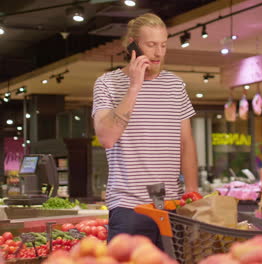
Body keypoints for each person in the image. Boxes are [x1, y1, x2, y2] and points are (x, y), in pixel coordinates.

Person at [92, 13, 198, 246]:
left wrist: (192, 194)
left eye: (163, 45)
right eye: (151, 45)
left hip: (172, 206)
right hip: (129, 207)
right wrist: (134, 87)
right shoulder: (106, 83)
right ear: (131, 44)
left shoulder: (175, 85)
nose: (159, 53)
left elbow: (186, 143)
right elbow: (107, 138)